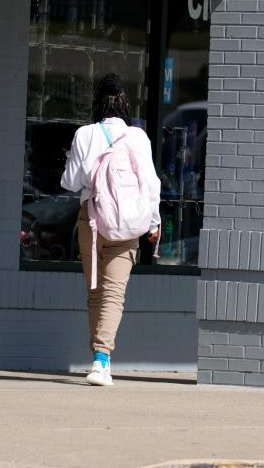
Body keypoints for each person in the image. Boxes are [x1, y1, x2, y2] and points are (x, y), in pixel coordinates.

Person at [61, 74, 160, 387]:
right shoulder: (138, 137)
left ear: (97, 102)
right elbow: (151, 183)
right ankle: (101, 360)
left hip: (92, 219)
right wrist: (154, 222)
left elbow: (70, 182)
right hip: (128, 222)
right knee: (114, 293)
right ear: (125, 102)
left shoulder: (84, 134)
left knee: (95, 292)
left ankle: (99, 359)